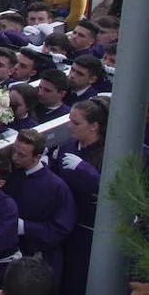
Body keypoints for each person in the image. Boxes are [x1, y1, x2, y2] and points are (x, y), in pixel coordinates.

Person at [48, 99, 108, 295]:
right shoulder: (68, 147)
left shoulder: (108, 154)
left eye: (76, 123)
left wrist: (85, 170)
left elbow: (110, 192)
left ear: (94, 126)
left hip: (89, 230)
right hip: (66, 224)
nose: (70, 126)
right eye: (70, 120)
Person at [4, 129, 74, 279]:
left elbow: (61, 228)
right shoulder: (11, 174)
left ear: (37, 157)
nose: (15, 157)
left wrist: (26, 228)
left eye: (22, 155)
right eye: (14, 151)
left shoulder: (56, 187)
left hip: (39, 259)